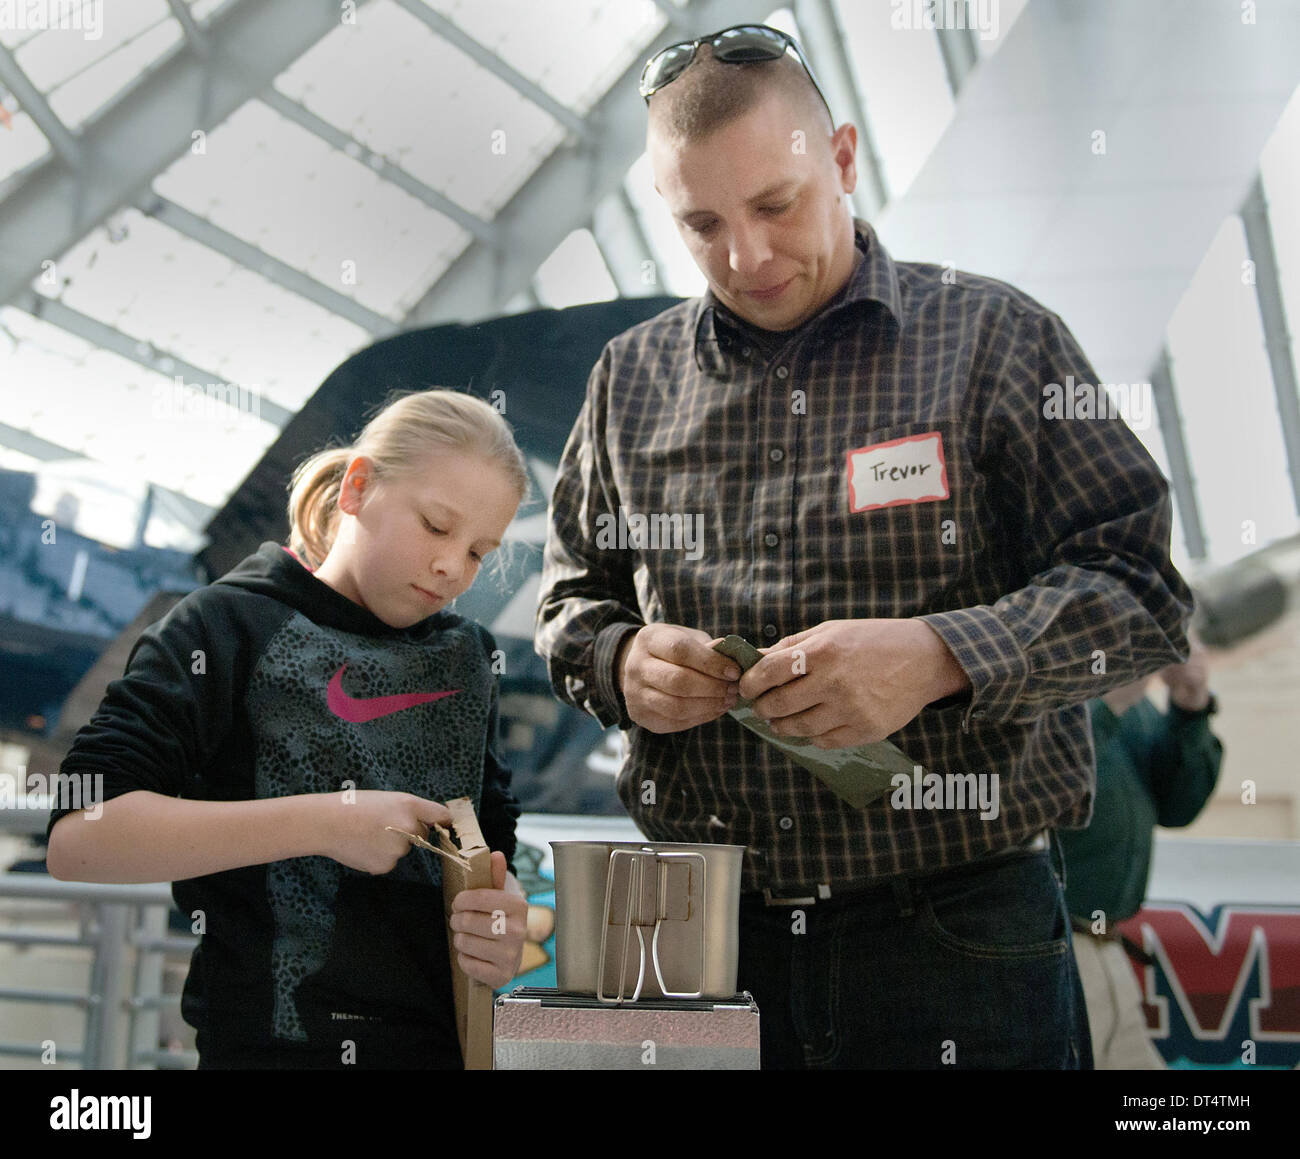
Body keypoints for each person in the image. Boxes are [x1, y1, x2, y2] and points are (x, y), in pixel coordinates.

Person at [535, 25, 1195, 1069]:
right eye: (700, 223)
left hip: (955, 936)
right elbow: (568, 601)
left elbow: (1142, 592)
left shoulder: (994, 342)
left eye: (774, 205)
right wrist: (617, 660)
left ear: (842, 159)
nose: (744, 256)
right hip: (699, 935)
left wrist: (939, 655)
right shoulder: (629, 379)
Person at [46, 389, 530, 1069]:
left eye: (481, 550)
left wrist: (504, 922)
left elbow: (495, 846)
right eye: (435, 525)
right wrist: (326, 821)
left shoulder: (469, 657)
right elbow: (78, 838)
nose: (454, 567)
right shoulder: (224, 625)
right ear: (358, 487)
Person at [1059, 641, 1223, 1069]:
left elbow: (1179, 806)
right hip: (1049, 949)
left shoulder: (1139, 709)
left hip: (1107, 950)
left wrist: (1190, 708)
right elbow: (1030, 785)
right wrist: (1109, 703)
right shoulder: (1045, 688)